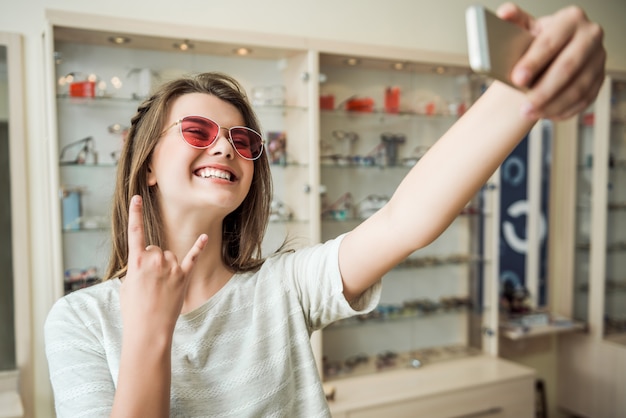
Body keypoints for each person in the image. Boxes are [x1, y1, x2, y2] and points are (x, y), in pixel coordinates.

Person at [44, 3, 606, 417]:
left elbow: (403, 220)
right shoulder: (79, 321)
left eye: (243, 141)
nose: (224, 147)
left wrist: (526, 91)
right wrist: (149, 330)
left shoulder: (281, 288)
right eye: (198, 130)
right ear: (146, 164)